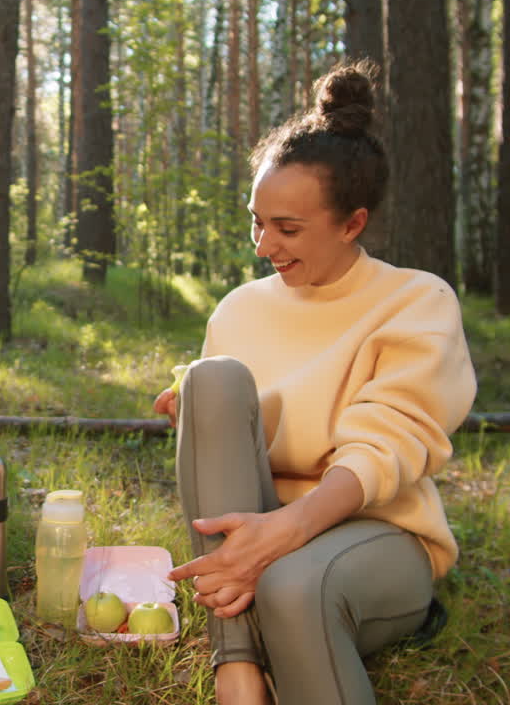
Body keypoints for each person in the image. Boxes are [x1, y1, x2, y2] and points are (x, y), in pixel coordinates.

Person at [152, 61, 476, 705]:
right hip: (261, 519)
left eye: (287, 228)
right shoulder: (239, 308)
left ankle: (268, 625)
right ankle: (237, 668)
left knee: (291, 587)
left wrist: (288, 531)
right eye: (257, 221)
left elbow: (385, 446)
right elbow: (236, 441)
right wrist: (197, 417)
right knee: (209, 380)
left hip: (373, 530)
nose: (263, 244)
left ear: (352, 223)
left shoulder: (417, 300)